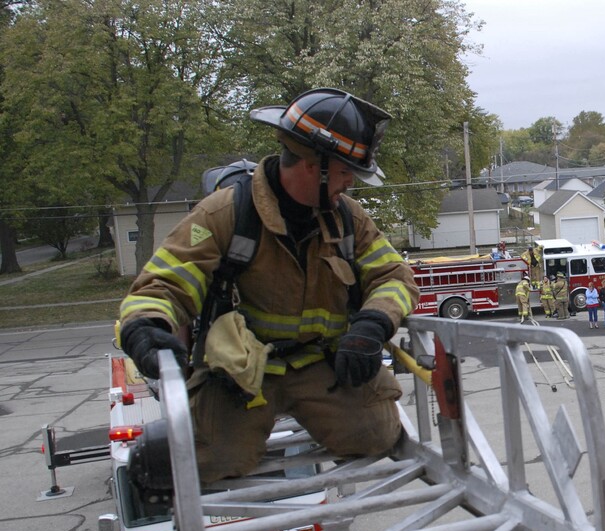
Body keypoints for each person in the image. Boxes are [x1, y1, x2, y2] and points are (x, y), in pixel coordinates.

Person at [118, 87, 417, 485]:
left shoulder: (348, 219)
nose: (350, 184)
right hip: (240, 372)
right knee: (210, 459)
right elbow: (165, 282)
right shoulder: (225, 212)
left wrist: (373, 324)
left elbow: (394, 277)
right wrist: (146, 326)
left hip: (318, 363)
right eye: (345, 172)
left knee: (378, 435)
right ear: (315, 165)